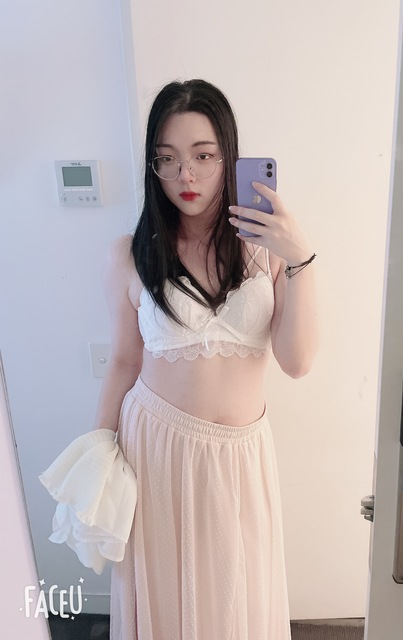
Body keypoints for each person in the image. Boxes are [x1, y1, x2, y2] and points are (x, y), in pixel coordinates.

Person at [94, 79, 319, 640]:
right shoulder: (131, 254)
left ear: (229, 157)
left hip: (241, 458)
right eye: (167, 159)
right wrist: (98, 450)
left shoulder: (268, 250)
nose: (185, 177)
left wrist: (301, 258)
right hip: (155, 451)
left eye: (202, 156)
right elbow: (123, 362)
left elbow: (297, 361)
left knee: (238, 598)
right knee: (167, 598)